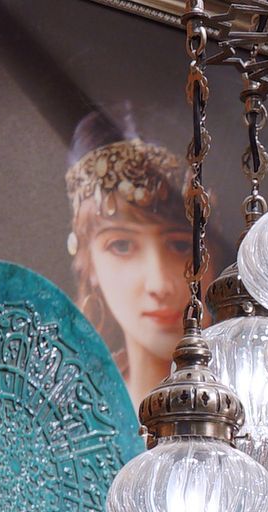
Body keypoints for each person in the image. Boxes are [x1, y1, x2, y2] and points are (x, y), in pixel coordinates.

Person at [63, 103, 191, 404]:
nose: (159, 285)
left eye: (181, 245)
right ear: (88, 261)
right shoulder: (69, 419)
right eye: (122, 245)